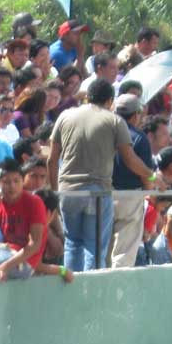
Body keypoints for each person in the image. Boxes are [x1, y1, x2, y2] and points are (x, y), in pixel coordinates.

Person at [50, 79, 157, 271]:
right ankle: (92, 288)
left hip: (67, 191)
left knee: (72, 243)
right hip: (97, 193)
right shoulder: (114, 121)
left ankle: (72, 285)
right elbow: (130, 160)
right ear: (110, 101)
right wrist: (151, 176)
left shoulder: (65, 116)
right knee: (94, 247)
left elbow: (51, 160)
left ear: (88, 96)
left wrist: (54, 192)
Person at [110, 94, 162, 268]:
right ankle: (117, 283)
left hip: (102, 194)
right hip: (129, 198)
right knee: (124, 251)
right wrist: (149, 192)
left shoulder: (104, 133)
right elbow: (146, 176)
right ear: (135, 115)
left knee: (104, 248)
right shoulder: (139, 137)